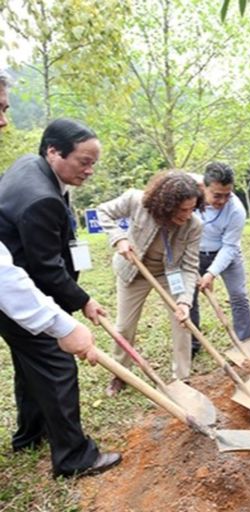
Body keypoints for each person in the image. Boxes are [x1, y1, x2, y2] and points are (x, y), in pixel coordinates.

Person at [0, 113, 121, 478]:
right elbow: (47, 268)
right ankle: (74, 457)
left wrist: (82, 300)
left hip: (10, 296)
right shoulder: (40, 199)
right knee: (57, 364)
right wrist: (79, 303)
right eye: (84, 162)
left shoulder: (30, 167)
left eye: (94, 164)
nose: (90, 171)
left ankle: (30, 434)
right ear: (54, 152)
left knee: (30, 363)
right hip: (17, 293)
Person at [97, 171, 203, 395]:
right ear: (166, 204)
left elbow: (191, 266)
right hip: (133, 271)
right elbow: (103, 211)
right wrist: (119, 238)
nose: (187, 215)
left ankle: (182, 379)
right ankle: (120, 373)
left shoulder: (194, 225)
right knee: (124, 326)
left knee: (183, 323)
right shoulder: (136, 201)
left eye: (192, 209)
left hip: (169, 274)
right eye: (183, 209)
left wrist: (184, 302)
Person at [189, 162, 250, 356]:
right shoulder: (189, 193)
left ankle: (245, 342)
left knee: (239, 295)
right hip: (194, 253)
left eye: (227, 195)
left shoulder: (236, 210)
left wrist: (211, 273)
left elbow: (230, 247)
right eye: (217, 195)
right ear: (204, 187)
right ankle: (193, 343)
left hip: (227, 253)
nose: (222, 200)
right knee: (188, 298)